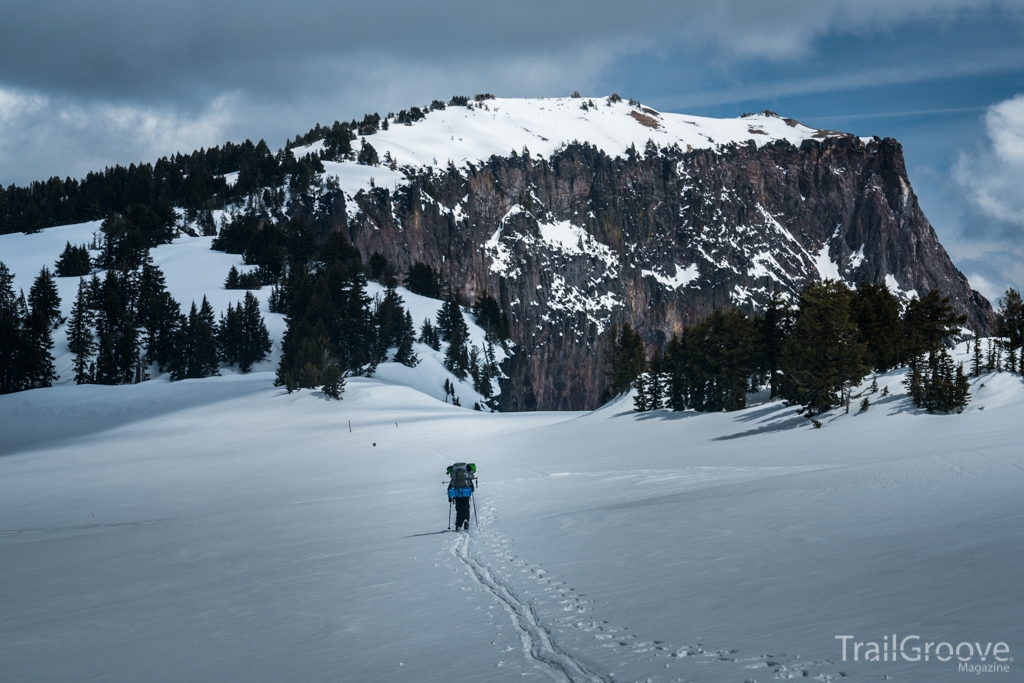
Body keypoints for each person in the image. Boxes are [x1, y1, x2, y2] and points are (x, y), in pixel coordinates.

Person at [447, 462, 476, 531]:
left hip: (457, 494)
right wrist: (471, 489)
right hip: (465, 493)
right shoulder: (466, 472)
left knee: (459, 509)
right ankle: (466, 519)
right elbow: (471, 486)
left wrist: (449, 497)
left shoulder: (454, 476)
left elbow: (450, 486)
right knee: (466, 507)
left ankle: (458, 524)